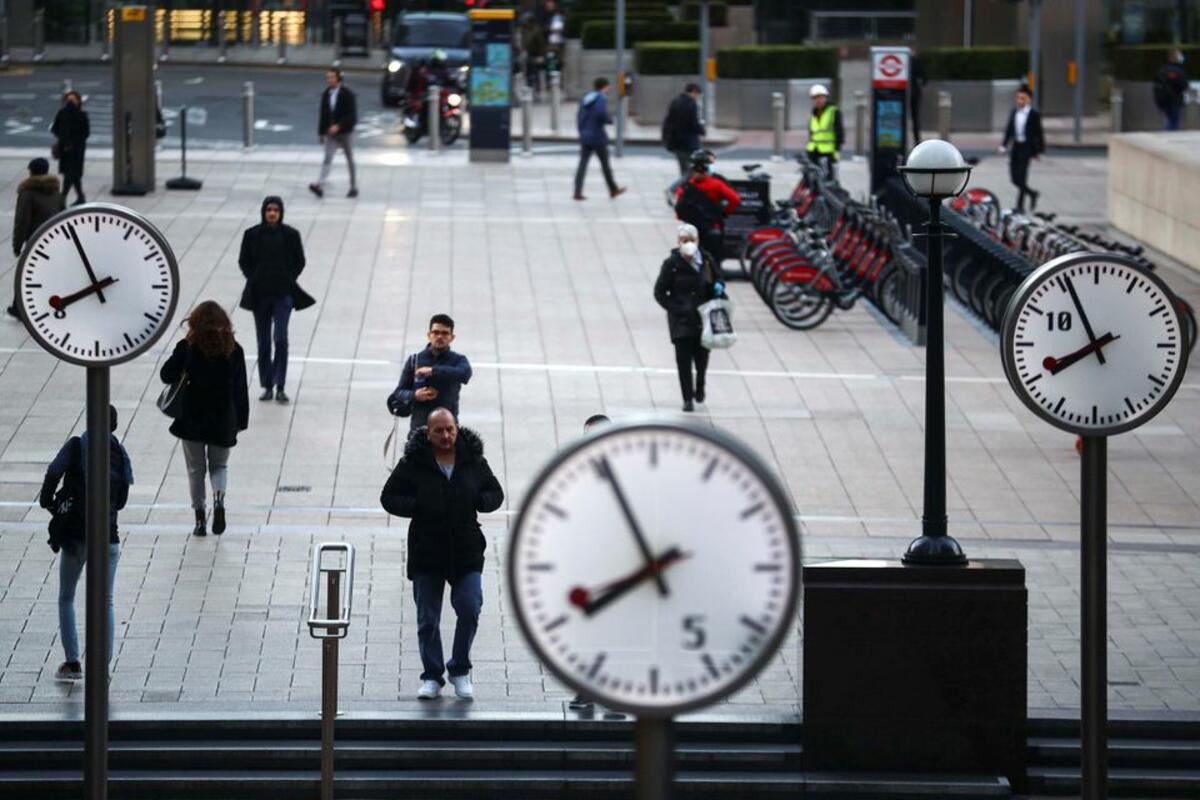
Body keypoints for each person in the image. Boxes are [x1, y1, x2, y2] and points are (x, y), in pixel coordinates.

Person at [380, 408, 504, 701]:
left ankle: (459, 669)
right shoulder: (413, 463)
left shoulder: (473, 460)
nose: (446, 435)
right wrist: (418, 506)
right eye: (439, 430)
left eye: (450, 429)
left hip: (466, 550)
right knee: (428, 619)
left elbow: (495, 493)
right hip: (427, 551)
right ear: (428, 433)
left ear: (456, 428)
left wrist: (480, 501)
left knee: (470, 608)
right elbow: (389, 497)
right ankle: (432, 675)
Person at [40, 405, 132, 682]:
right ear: (114, 426)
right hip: (108, 537)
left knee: (66, 596)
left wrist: (48, 500)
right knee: (106, 602)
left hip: (77, 534)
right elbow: (122, 500)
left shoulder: (76, 446)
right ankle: (101, 667)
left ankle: (72, 663)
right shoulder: (120, 453)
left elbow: (53, 471)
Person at [160, 301, 250, 538]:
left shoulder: (188, 347)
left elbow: (165, 375)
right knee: (219, 466)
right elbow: (240, 389)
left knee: (195, 469)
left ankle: (200, 519)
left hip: (192, 418)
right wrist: (241, 420)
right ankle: (218, 499)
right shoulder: (234, 349)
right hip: (223, 419)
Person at [238, 196, 314, 403]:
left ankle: (280, 385)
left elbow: (299, 261)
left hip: (283, 295)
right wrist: (254, 278)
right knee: (263, 342)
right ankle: (267, 385)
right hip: (259, 295)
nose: (272, 213)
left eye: (276, 210)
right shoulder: (252, 235)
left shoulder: (290, 235)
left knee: (280, 339)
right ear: (264, 212)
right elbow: (244, 261)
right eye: (269, 210)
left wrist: (288, 278)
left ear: (280, 213)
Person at [654, 223, 726, 412]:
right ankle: (687, 397)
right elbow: (659, 292)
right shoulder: (672, 264)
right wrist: (676, 309)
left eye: (691, 240)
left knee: (702, 358)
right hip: (681, 320)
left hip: (703, 318)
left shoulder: (706, 260)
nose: (688, 244)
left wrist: (718, 286)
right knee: (683, 360)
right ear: (679, 242)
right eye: (684, 240)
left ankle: (700, 384)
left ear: (697, 241)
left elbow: (718, 278)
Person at [387, 314, 473, 430]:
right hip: (420, 427)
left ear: (452, 337)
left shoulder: (458, 360)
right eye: (435, 332)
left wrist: (434, 371)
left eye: (445, 333)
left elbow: (465, 374)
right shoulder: (415, 360)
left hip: (447, 429)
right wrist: (415, 395)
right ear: (429, 335)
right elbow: (399, 392)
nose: (439, 337)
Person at [6, 157, 64, 319]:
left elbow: (22, 222)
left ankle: (18, 308)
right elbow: (63, 216)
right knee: (49, 273)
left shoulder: (27, 194)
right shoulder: (56, 192)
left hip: (35, 241)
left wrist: (17, 245)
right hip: (54, 240)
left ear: (31, 172)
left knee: (25, 274)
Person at [673, 149, 741, 264]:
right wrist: (725, 212)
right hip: (711, 227)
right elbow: (735, 199)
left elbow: (679, 208)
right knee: (713, 260)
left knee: (692, 259)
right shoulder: (716, 184)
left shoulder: (686, 187)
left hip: (692, 229)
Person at [574, 77, 626, 201]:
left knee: (582, 165)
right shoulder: (601, 98)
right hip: (597, 137)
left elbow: (579, 115)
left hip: (586, 136)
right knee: (605, 165)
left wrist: (582, 131)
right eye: (608, 87)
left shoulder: (587, 97)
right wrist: (609, 120)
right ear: (605, 87)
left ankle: (577, 192)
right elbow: (600, 112)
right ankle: (613, 189)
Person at [309, 69, 358, 199]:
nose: (329, 80)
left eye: (332, 77)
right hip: (331, 133)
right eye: (328, 77)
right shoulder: (326, 94)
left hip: (345, 132)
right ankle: (320, 185)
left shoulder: (347, 94)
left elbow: (351, 116)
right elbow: (323, 115)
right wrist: (321, 133)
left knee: (349, 158)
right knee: (328, 157)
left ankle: (353, 186)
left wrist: (339, 126)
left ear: (338, 79)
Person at [999, 85, 1044, 213]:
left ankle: (1020, 206)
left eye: (1022, 98)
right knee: (1014, 178)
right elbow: (1009, 130)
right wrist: (1004, 145)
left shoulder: (1034, 114)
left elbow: (1039, 133)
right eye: (1018, 98)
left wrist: (1038, 151)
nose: (1019, 101)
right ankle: (1032, 193)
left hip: (1026, 148)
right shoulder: (1014, 112)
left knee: (1022, 177)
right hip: (1016, 147)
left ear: (1029, 99)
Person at [51, 90, 90, 206]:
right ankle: (79, 197)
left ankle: (64, 198)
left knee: (71, 174)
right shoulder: (72, 114)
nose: (71, 102)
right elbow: (55, 128)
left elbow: (86, 132)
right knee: (73, 174)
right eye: (69, 100)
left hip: (74, 149)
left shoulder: (75, 114)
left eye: (73, 100)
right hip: (70, 149)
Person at [663, 83, 706, 183]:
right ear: (693, 92)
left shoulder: (675, 102)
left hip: (676, 142)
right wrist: (702, 130)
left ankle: (684, 188)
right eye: (698, 94)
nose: (697, 97)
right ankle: (676, 188)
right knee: (694, 169)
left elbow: (668, 121)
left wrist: (666, 138)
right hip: (689, 143)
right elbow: (693, 123)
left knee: (684, 169)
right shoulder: (691, 104)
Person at [404, 49, 453, 123]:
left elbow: (450, 82)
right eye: (437, 61)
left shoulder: (445, 72)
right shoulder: (424, 71)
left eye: (440, 61)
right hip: (424, 96)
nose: (439, 63)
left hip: (440, 96)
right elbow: (416, 85)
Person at [806, 84, 844, 179]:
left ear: (825, 97)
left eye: (820, 97)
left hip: (828, 151)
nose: (818, 100)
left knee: (828, 178)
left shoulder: (833, 111)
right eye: (815, 98)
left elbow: (839, 132)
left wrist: (837, 150)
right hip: (813, 150)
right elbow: (812, 133)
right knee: (813, 177)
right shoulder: (813, 113)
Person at [1153, 49, 1188, 131]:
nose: (1180, 58)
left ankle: (1167, 132)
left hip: (1164, 100)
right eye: (1178, 56)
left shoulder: (1163, 69)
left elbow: (1158, 83)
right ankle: (1169, 133)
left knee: (1169, 119)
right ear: (1172, 57)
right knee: (1173, 121)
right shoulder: (1176, 70)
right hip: (1175, 99)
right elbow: (1183, 84)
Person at [910, 52, 926, 144]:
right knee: (915, 117)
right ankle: (917, 140)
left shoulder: (903, 62)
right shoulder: (916, 62)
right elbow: (924, 79)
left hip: (901, 93)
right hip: (914, 93)